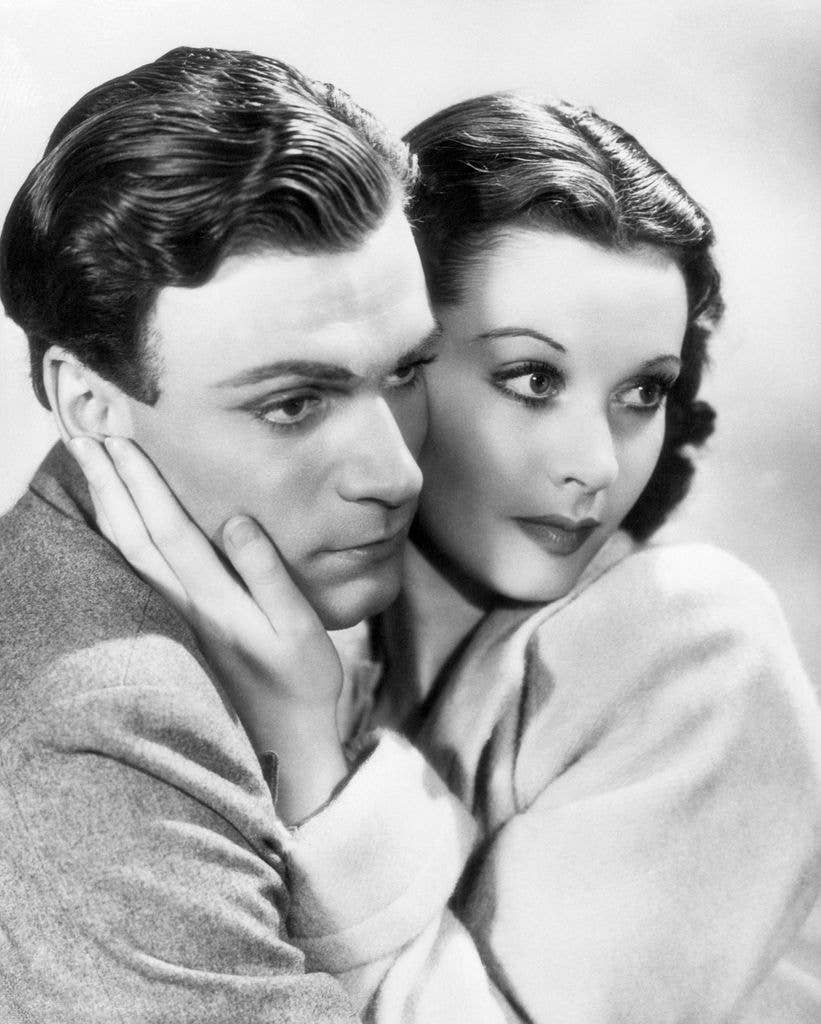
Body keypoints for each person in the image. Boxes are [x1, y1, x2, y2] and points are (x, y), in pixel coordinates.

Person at [79, 93, 821, 1023]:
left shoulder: (694, 642)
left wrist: (311, 756)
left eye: (642, 391)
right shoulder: (320, 635)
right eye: (531, 380)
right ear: (394, 362)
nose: (594, 466)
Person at [0, 47, 520, 1023]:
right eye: (292, 405)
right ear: (88, 400)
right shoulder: (99, 728)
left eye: (405, 372)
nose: (396, 473)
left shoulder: (263, 595)